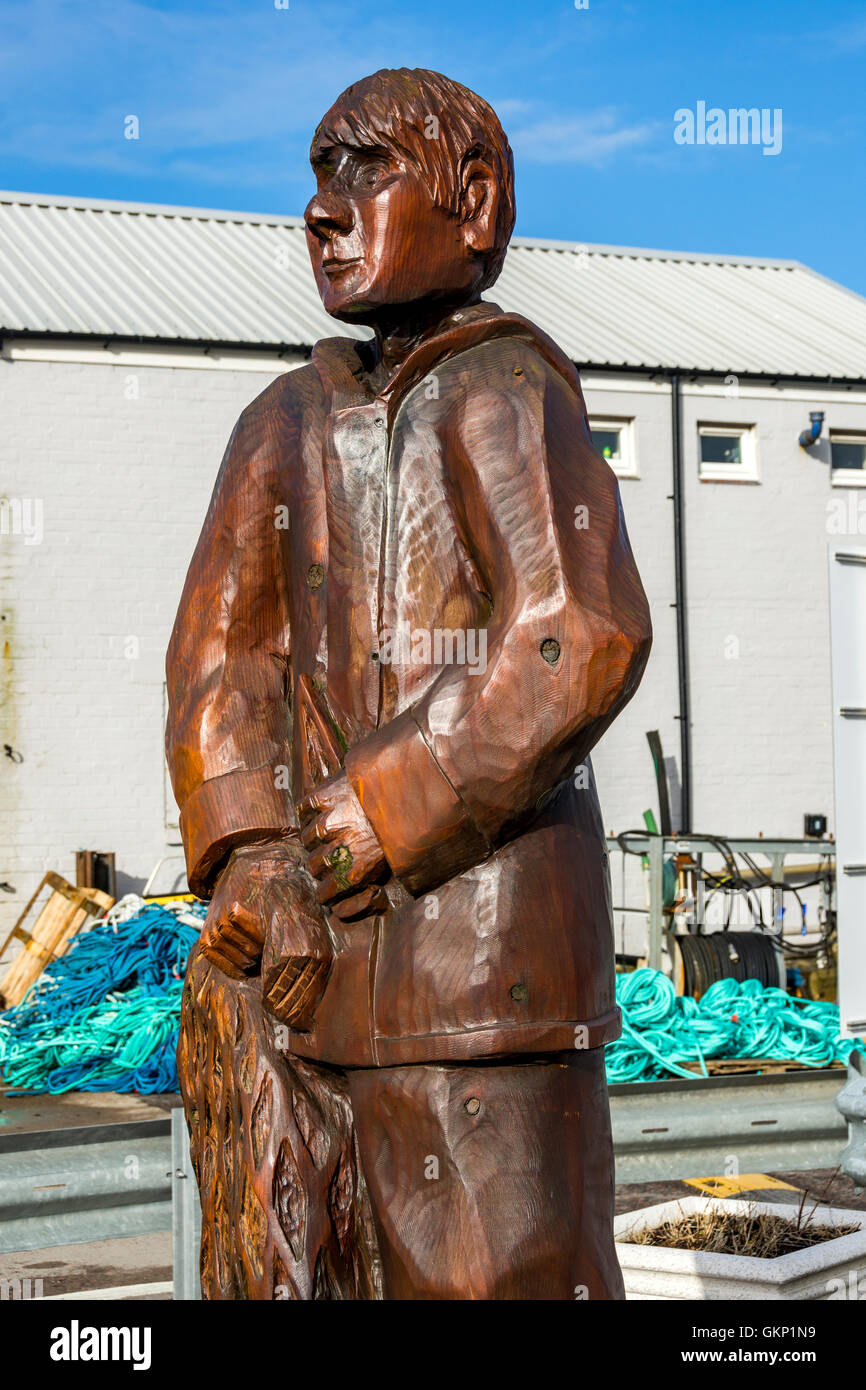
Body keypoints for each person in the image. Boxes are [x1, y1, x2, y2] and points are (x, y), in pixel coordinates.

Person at [166, 66, 652, 1300]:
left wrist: (369, 813)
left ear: (475, 201)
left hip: (485, 995)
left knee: (493, 1277)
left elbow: (573, 633)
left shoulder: (507, 391)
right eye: (316, 176)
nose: (322, 210)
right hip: (305, 974)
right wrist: (253, 856)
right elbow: (224, 661)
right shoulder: (280, 421)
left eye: (361, 168)